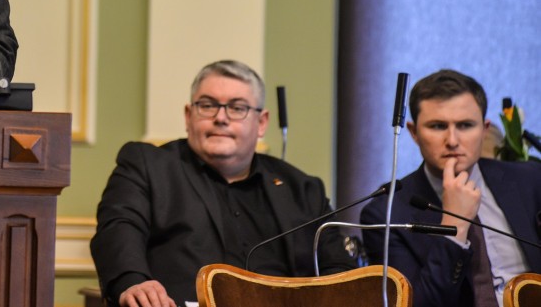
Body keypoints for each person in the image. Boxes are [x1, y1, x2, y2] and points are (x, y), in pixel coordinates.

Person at [90, 60, 356, 307]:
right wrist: (133, 281)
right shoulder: (149, 165)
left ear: (261, 123)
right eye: (207, 105)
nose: (221, 117)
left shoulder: (301, 188)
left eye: (237, 108)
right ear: (188, 115)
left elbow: (338, 268)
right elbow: (119, 227)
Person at [360, 69, 541, 307]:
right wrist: (454, 225)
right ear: (414, 132)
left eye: (465, 125)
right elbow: (417, 304)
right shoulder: (386, 213)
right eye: (437, 126)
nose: (453, 140)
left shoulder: (530, 179)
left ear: (485, 130)